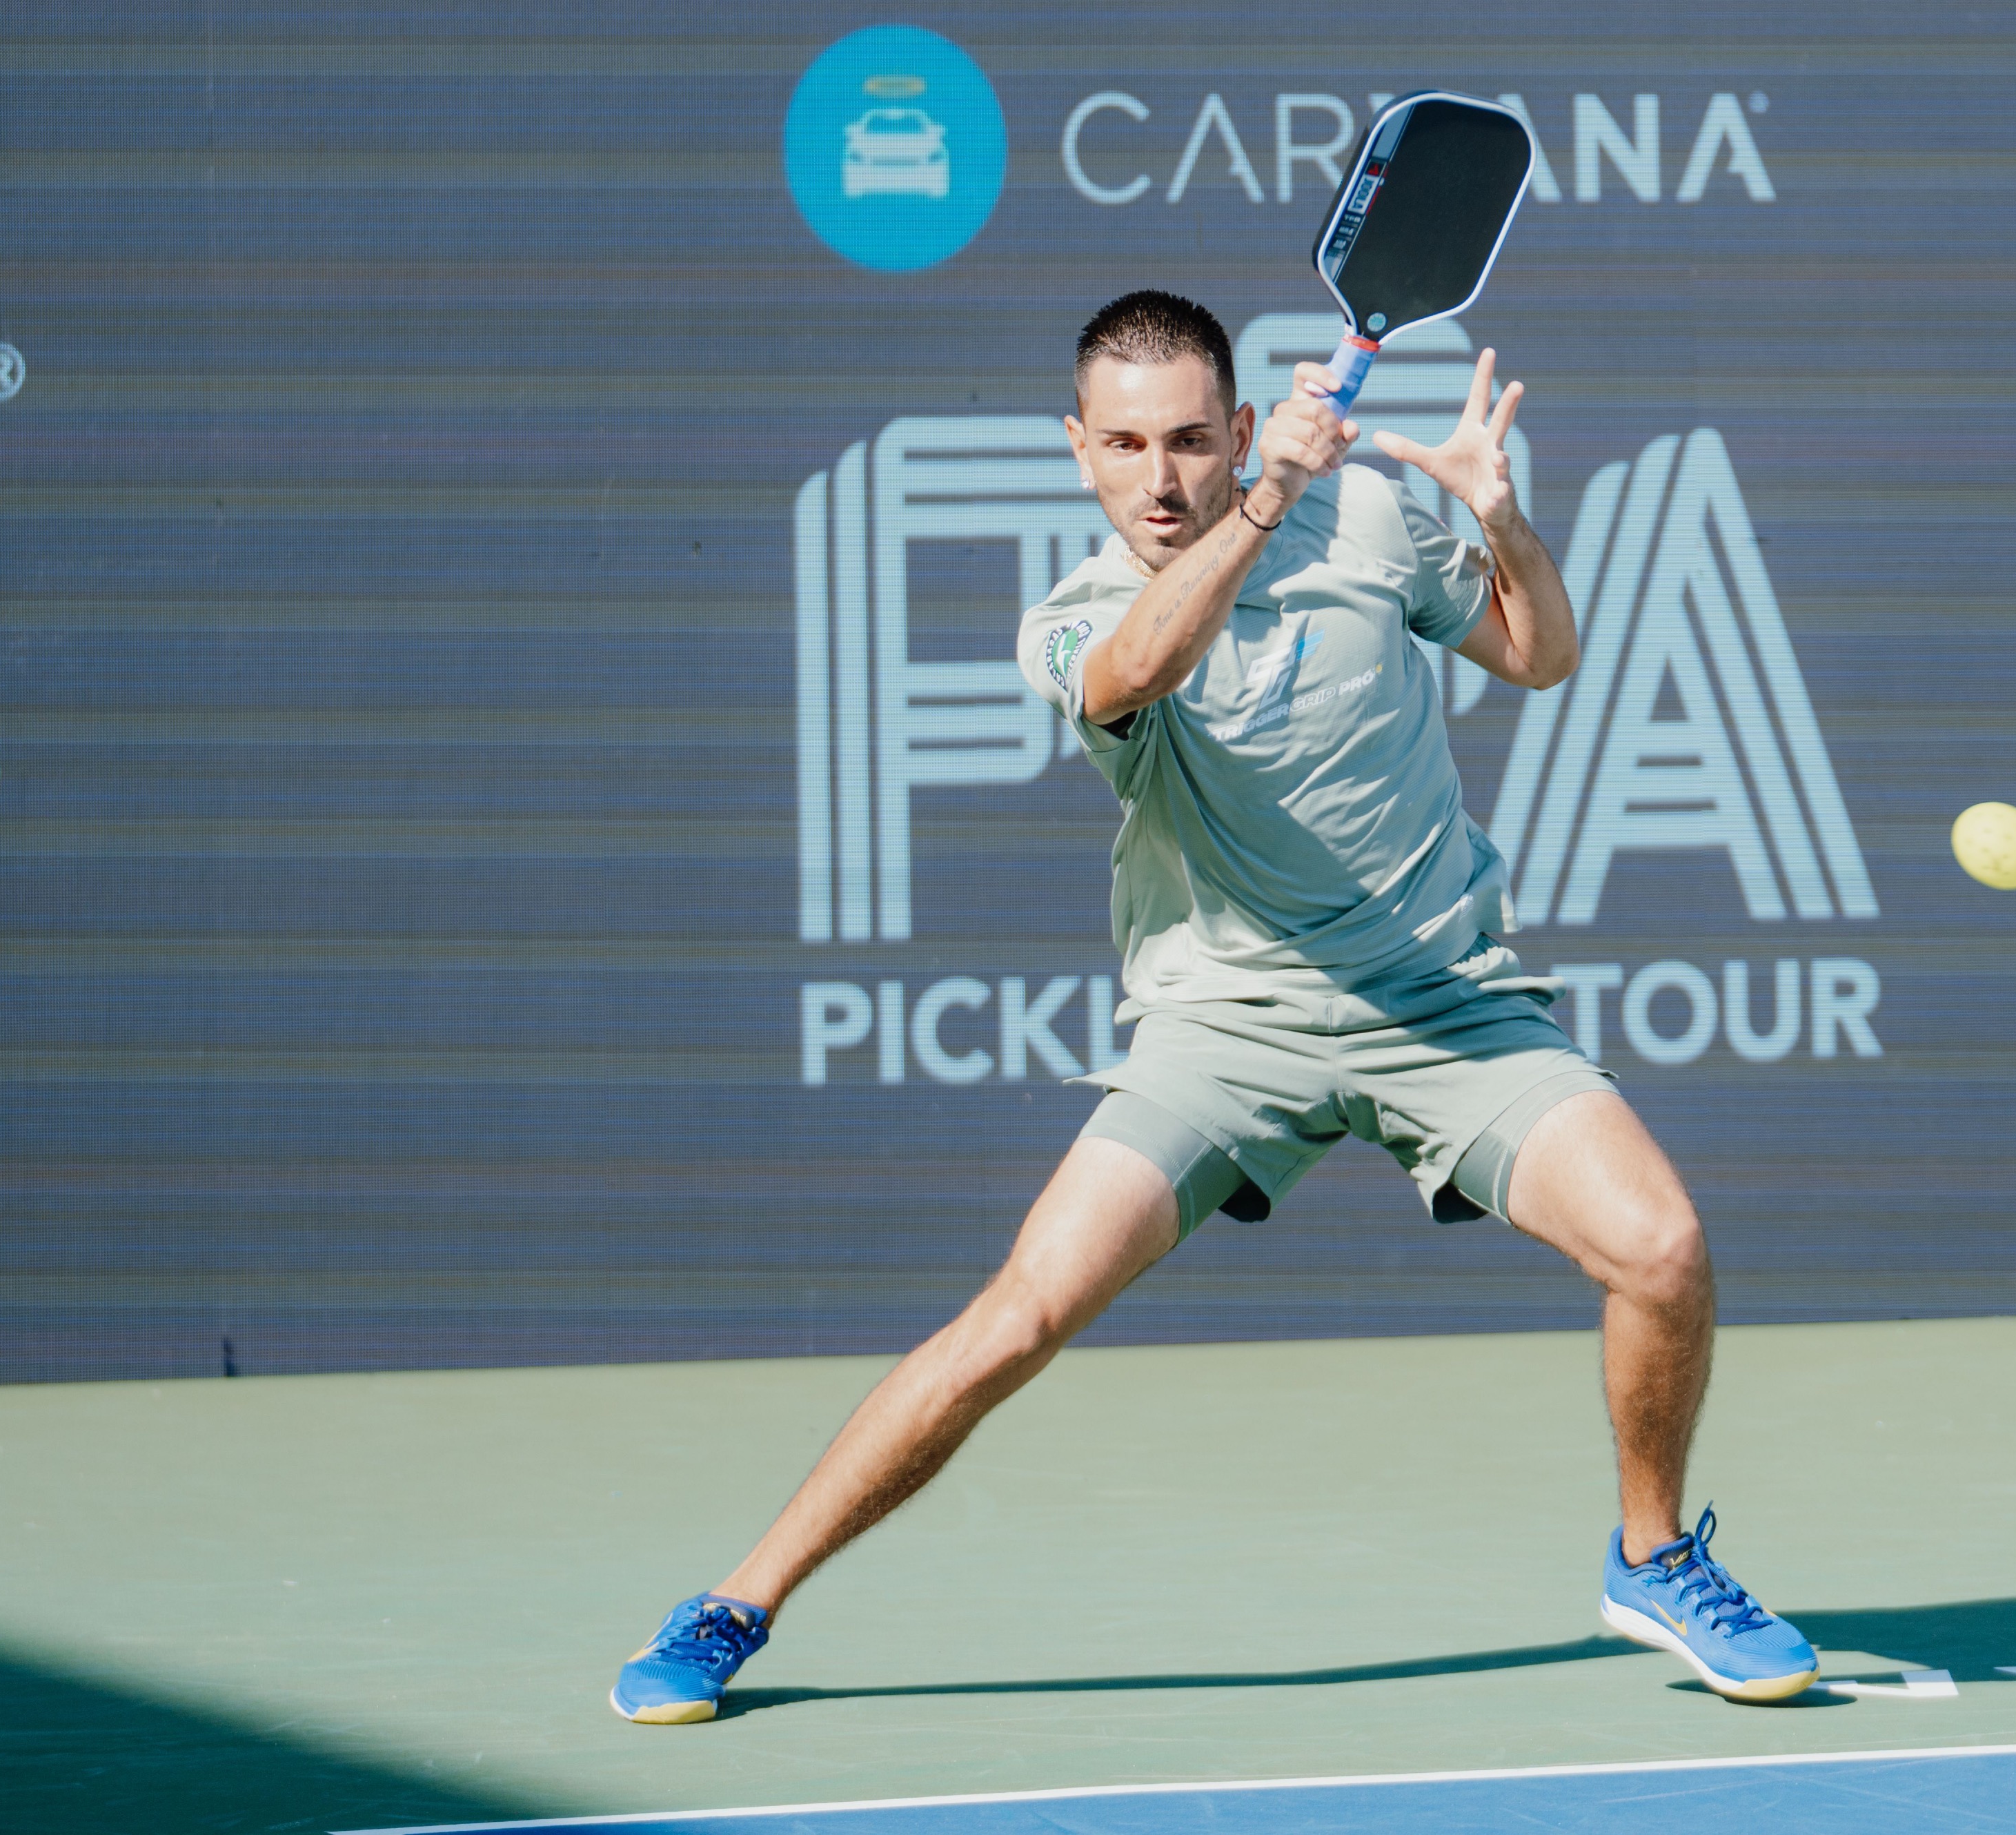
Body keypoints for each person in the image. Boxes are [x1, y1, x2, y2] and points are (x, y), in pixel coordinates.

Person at [610, 290, 1817, 1724]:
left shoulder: (1368, 524)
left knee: (1661, 1247)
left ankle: (1651, 1555)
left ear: (1236, 426)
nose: (1161, 476)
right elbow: (1146, 665)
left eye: (1191, 439)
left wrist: (1500, 521)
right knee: (1022, 1312)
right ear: (1077, 451)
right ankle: (733, 1603)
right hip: (1224, 1023)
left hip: (1441, 1002)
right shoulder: (1072, 619)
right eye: (1124, 444)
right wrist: (1267, 504)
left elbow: (1536, 655)